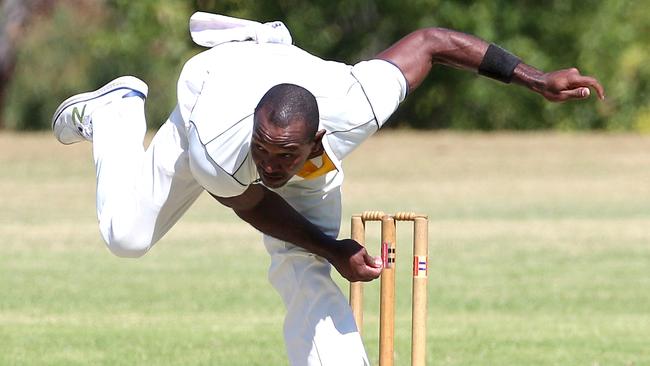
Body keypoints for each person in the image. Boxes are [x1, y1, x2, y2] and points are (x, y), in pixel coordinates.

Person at [51, 12, 605, 366]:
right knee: (125, 236)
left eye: (283, 154)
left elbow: (433, 41)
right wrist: (332, 247)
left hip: (288, 101)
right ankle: (117, 110)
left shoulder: (354, 103)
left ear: (316, 137)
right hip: (205, 99)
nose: (271, 164)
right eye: (264, 151)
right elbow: (253, 202)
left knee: (303, 271)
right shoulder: (223, 149)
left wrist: (535, 79)